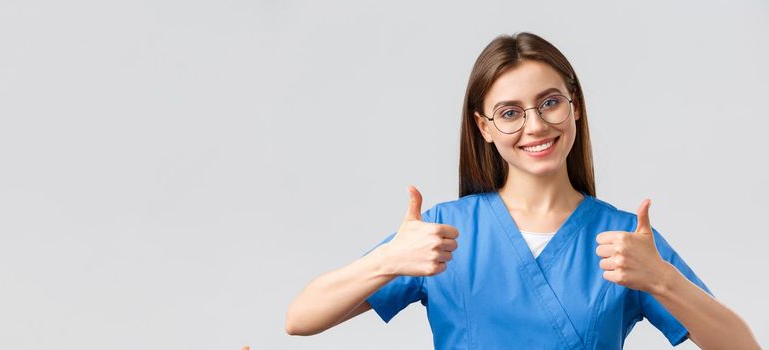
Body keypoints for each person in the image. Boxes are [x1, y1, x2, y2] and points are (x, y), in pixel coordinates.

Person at [285, 32, 760, 349]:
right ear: (484, 127)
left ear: (574, 107)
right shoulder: (441, 235)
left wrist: (662, 280)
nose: (535, 126)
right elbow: (301, 318)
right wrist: (386, 260)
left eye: (550, 103)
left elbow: (744, 346)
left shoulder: (623, 241)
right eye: (510, 112)